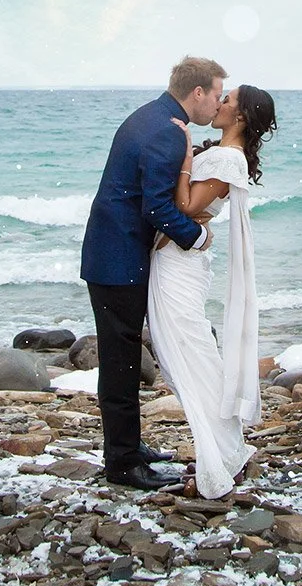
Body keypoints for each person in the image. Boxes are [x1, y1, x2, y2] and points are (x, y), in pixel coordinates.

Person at [80, 56, 226, 490]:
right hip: (117, 260)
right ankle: (123, 464)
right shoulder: (165, 128)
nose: (217, 105)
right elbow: (158, 207)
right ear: (196, 93)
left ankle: (129, 447)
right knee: (121, 362)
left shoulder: (154, 116)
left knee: (122, 358)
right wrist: (197, 239)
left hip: (114, 252)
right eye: (216, 95)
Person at [150, 85, 277, 498]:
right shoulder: (224, 154)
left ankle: (223, 452)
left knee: (194, 355)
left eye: (228, 101)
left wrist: (185, 156)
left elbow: (186, 207)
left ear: (239, 117)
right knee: (186, 353)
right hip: (177, 258)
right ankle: (225, 448)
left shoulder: (226, 158)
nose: (219, 104)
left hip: (179, 264)